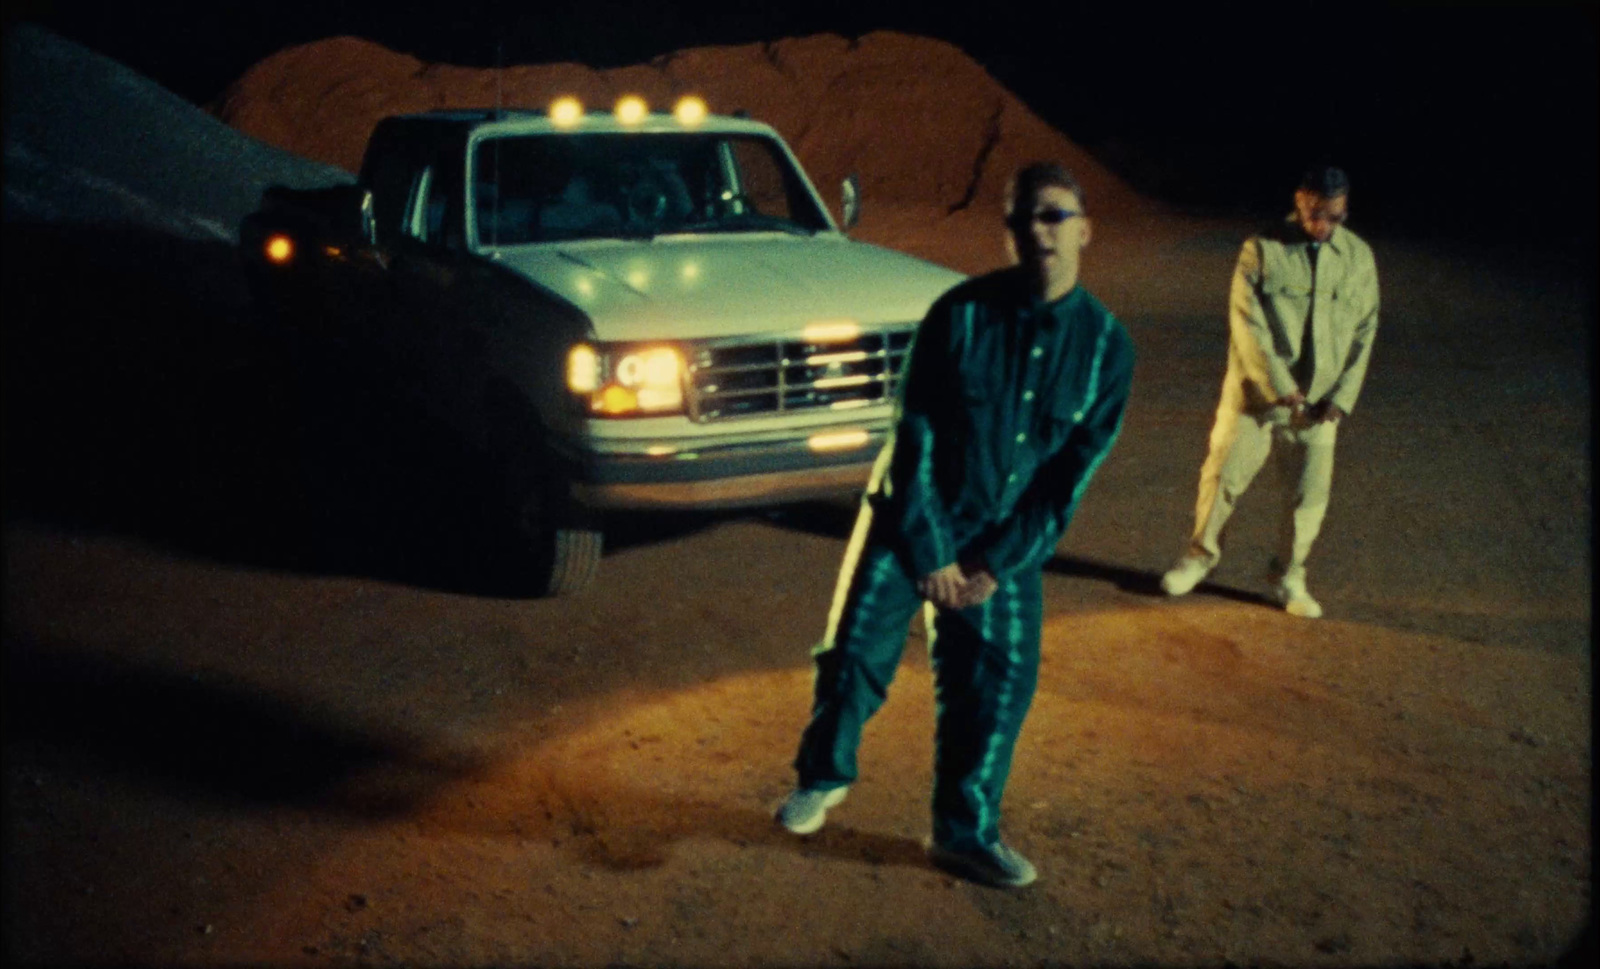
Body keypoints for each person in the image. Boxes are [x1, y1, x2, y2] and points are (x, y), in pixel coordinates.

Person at [775, 162, 1135, 888]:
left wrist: (997, 561)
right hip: (914, 511)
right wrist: (931, 548)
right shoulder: (959, 314)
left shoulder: (1105, 348)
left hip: (1000, 542)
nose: (1039, 231)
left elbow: (1069, 476)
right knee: (855, 653)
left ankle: (962, 832)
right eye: (1023, 218)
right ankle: (824, 773)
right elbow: (916, 435)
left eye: (1055, 216)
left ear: (1086, 229)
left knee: (998, 683)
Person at [1160, 165, 1379, 617]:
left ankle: (1289, 577)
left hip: (1320, 405)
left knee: (1308, 497)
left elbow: (1365, 330)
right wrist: (1281, 387)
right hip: (1257, 398)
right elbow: (1247, 324)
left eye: (1335, 217)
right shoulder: (1262, 249)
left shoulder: (1358, 258)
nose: (1324, 226)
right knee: (1222, 479)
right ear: (1300, 201)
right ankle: (1199, 558)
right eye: (1317, 214)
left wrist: (1341, 397)